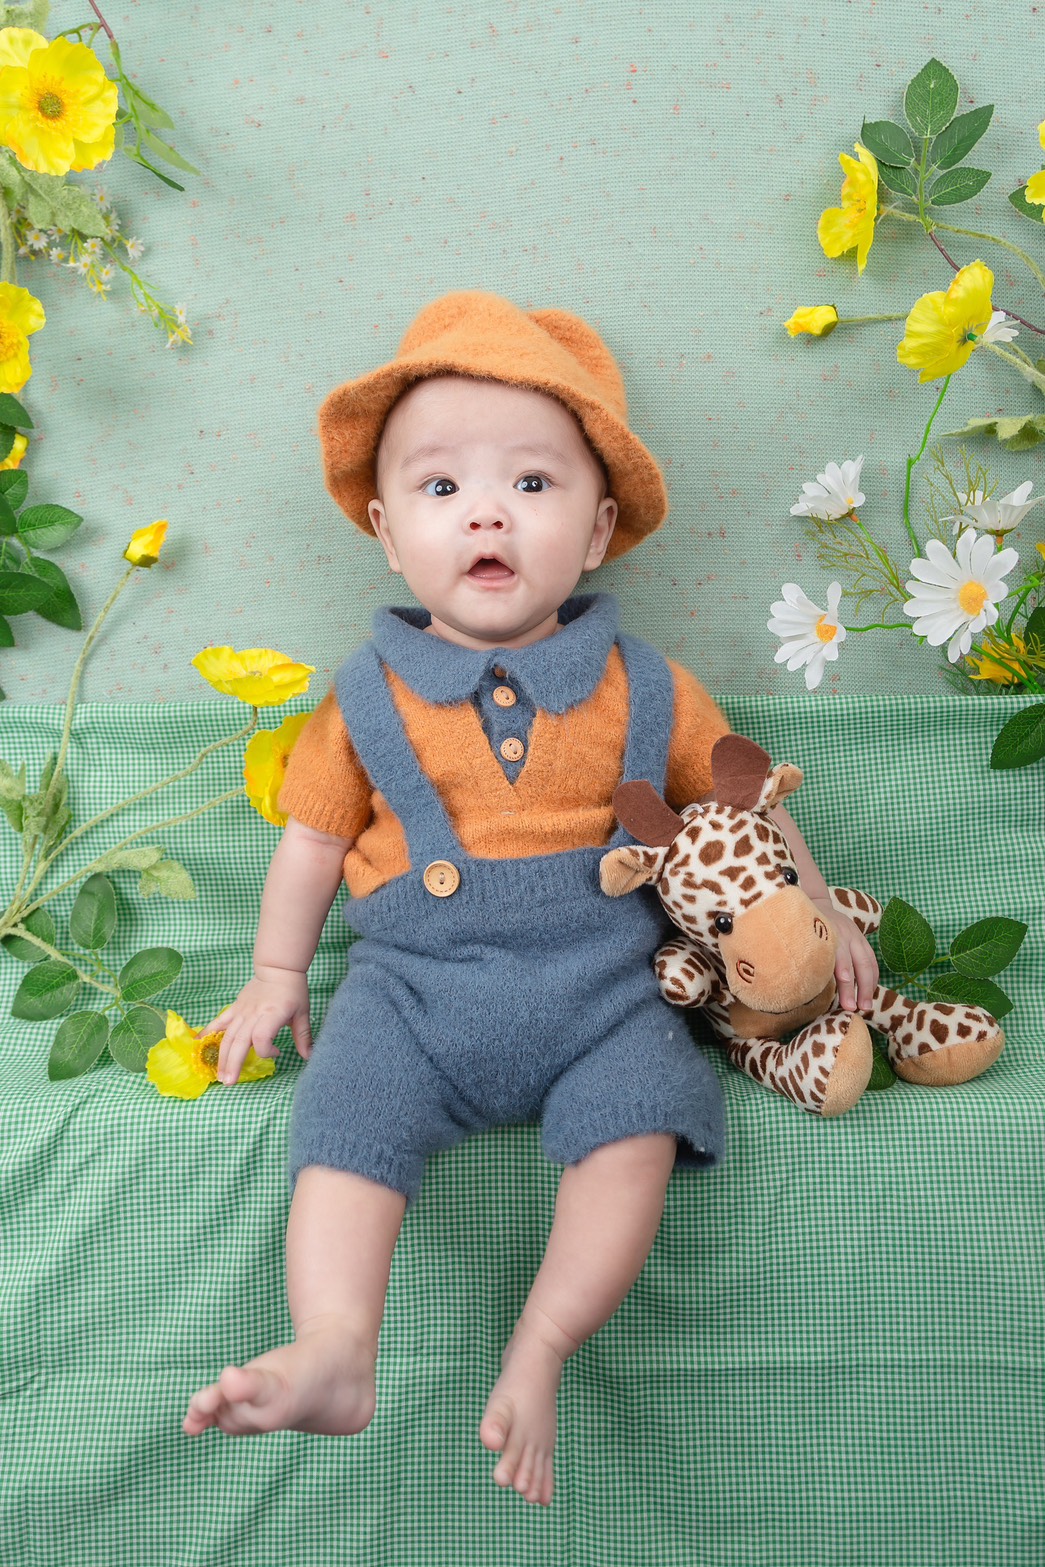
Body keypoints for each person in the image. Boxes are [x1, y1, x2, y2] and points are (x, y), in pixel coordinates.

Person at [182, 292, 879, 1507]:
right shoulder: (363, 699)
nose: (487, 511)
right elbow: (311, 844)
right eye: (441, 486)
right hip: (410, 998)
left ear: (599, 530)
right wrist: (278, 972)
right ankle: (336, 1343)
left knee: (641, 1122)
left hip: (602, 996)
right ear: (386, 532)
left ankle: (545, 1340)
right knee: (344, 1123)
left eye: (533, 483)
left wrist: (811, 910)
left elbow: (750, 808)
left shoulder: (647, 686)